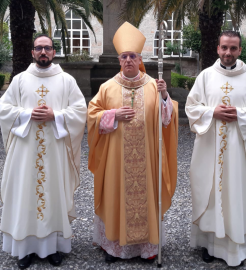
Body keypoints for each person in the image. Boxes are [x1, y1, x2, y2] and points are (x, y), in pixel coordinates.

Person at [87, 22, 178, 263]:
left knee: (146, 197)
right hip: (116, 160)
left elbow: (167, 120)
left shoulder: (154, 86)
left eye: (133, 56)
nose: (129, 60)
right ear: (119, 60)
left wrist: (166, 96)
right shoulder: (107, 88)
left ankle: (146, 248)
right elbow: (91, 117)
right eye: (124, 56)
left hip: (147, 160)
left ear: (139, 59)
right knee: (116, 196)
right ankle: (114, 249)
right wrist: (112, 115)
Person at [0, 34, 87, 269]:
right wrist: (27, 114)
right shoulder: (19, 80)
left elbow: (80, 111)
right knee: (24, 194)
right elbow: (4, 109)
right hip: (25, 152)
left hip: (55, 151)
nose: (43, 52)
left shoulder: (66, 80)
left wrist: (56, 116)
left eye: (47, 48)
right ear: (32, 52)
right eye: (38, 48)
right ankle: (24, 249)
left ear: (54, 52)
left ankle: (53, 247)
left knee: (53, 194)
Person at [186, 30, 246, 267]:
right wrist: (211, 112)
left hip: (239, 153)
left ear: (240, 50)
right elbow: (191, 107)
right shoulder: (205, 76)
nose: (228, 53)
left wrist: (242, 114)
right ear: (217, 48)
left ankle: (236, 249)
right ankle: (210, 245)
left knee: (236, 194)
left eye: (233, 48)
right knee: (210, 194)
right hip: (209, 150)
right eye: (224, 47)